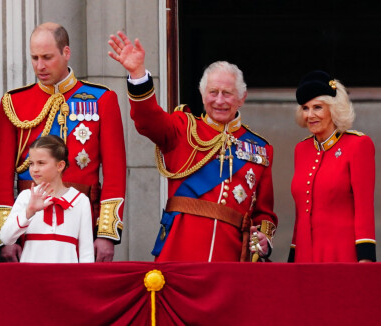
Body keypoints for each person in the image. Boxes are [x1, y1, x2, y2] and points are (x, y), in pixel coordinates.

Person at [108, 31, 277, 262]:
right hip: (179, 251)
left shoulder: (260, 149)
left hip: (230, 257)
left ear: (242, 97)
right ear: (202, 94)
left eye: (227, 94)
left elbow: (264, 213)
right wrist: (138, 74)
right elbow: (148, 120)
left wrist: (263, 242)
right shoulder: (182, 128)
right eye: (213, 92)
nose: (219, 101)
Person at [0, 22, 126, 262]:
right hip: (29, 222)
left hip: (81, 221)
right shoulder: (14, 103)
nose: (39, 66)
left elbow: (115, 173)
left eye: (47, 57)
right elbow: (2, 178)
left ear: (66, 53)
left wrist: (106, 233)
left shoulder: (102, 99)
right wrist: (6, 238)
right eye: (34, 58)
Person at [289, 71, 376, 263]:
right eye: (305, 108)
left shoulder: (358, 145)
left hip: (342, 258)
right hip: (304, 259)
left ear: (334, 109)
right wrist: (292, 258)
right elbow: (300, 214)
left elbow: (364, 210)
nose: (310, 115)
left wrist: (366, 260)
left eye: (318, 107)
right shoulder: (301, 150)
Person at [0, 135, 94, 263]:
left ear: (60, 166)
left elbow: (86, 252)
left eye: (41, 163)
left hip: (67, 278)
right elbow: (5, 238)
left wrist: (84, 281)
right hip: (31, 277)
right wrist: (29, 212)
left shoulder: (80, 201)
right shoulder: (26, 196)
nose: (34, 169)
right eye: (31, 163)